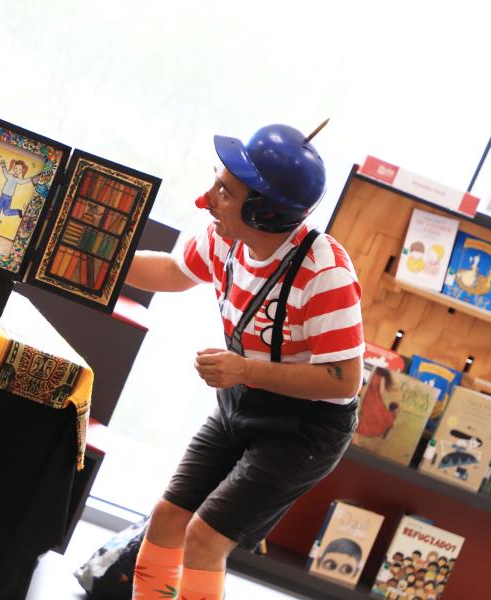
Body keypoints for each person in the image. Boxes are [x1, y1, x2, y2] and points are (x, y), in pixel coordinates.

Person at [125, 123, 364, 600]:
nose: (206, 200)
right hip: (241, 400)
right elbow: (173, 271)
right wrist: (100, 256)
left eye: (224, 192)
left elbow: (343, 380)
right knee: (168, 518)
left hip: (304, 429)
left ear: (265, 212)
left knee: (204, 539)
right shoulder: (225, 239)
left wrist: (243, 369)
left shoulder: (325, 272)